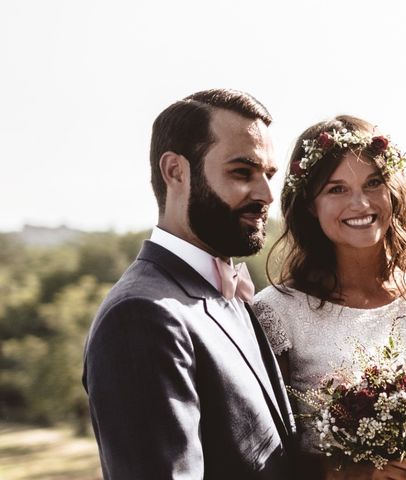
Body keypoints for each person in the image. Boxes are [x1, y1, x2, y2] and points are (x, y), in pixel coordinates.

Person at [253, 115, 406, 480]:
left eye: (374, 183)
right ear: (309, 205)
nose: (361, 203)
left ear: (394, 190)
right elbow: (265, 453)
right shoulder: (276, 311)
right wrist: (355, 472)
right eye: (336, 189)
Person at [82, 88, 297, 479]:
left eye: (268, 175)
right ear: (175, 171)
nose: (267, 194)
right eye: (242, 172)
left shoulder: (229, 294)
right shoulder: (141, 317)